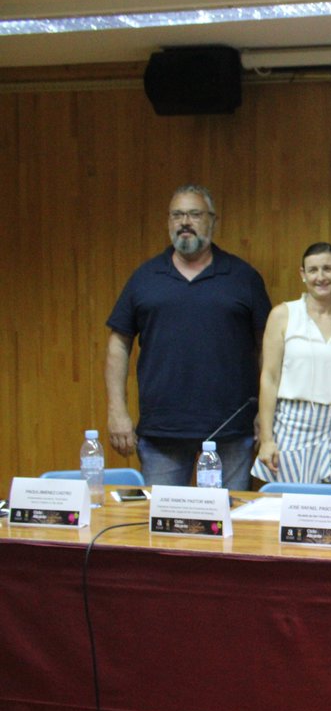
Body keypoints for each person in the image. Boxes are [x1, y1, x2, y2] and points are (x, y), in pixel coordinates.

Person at [106, 184, 271, 491]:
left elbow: (268, 349)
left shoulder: (243, 277)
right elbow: (119, 342)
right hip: (162, 431)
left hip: (232, 428)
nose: (185, 222)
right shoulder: (145, 277)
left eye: (194, 214)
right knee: (164, 528)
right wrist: (117, 410)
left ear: (213, 221)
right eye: (177, 215)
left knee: (227, 527)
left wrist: (266, 411)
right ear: (168, 221)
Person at [252, 243, 331, 485]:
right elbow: (269, 378)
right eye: (313, 270)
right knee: (286, 511)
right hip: (292, 423)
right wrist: (267, 438)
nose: (320, 277)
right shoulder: (283, 314)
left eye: (328, 269)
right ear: (302, 274)